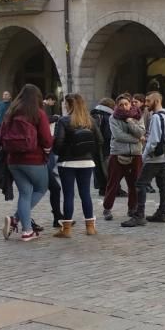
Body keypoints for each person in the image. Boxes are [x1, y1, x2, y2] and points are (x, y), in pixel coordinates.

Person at [0, 84, 53, 242]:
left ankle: (26, 229)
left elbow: (1, 136)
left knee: (25, 193)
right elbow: (46, 139)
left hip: (13, 160)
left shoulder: (10, 113)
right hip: (34, 159)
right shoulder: (38, 113)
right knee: (41, 188)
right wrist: (49, 148)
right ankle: (18, 221)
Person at [51, 94, 104, 238]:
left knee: (68, 194)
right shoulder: (90, 120)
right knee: (85, 193)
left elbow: (58, 143)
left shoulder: (64, 120)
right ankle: (90, 227)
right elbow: (100, 141)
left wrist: (63, 151)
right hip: (87, 162)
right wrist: (87, 152)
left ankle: (66, 229)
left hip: (67, 162)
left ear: (68, 105)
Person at [121, 92, 165, 227]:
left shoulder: (156, 117)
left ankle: (139, 215)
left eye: (149, 101)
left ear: (156, 101)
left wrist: (144, 156)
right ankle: (161, 213)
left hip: (154, 157)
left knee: (140, 184)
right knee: (162, 185)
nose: (146, 104)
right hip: (162, 156)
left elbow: (154, 140)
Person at [102, 95, 145, 221]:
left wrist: (130, 122)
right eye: (121, 104)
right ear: (117, 106)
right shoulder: (113, 118)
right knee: (113, 183)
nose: (124, 106)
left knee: (134, 184)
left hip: (135, 154)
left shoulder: (138, 116)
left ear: (130, 104)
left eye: (126, 104)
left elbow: (141, 132)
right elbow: (118, 135)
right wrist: (137, 139)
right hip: (118, 153)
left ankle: (132, 208)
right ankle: (107, 208)